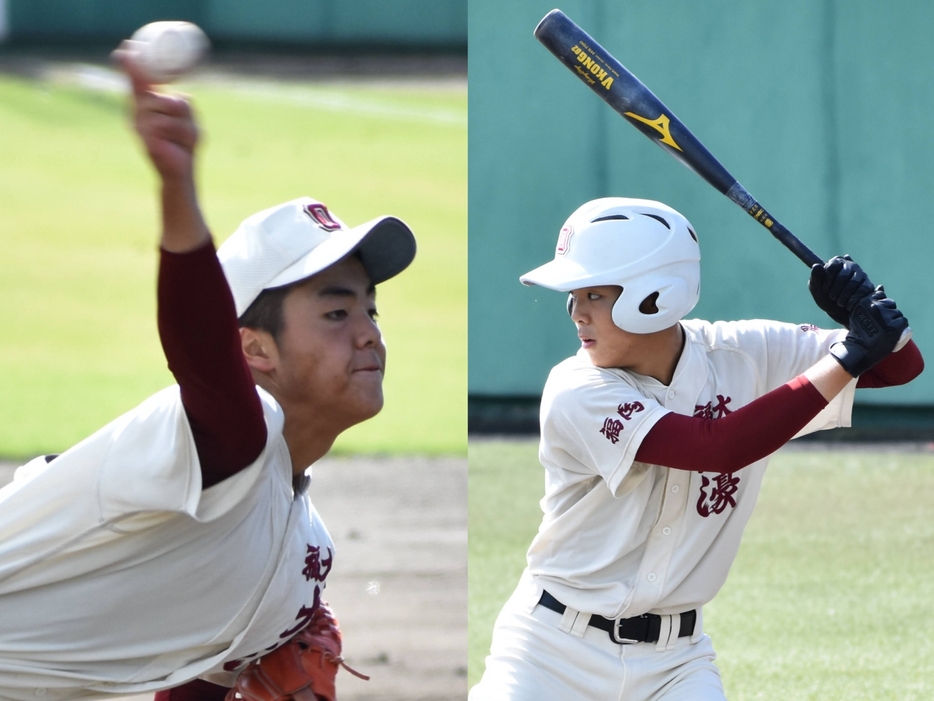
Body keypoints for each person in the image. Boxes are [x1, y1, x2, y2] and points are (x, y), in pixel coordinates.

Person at [0, 47, 416, 701]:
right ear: (253, 349)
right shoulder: (230, 441)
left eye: (369, 306)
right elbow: (199, 347)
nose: (368, 330)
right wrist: (176, 188)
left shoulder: (303, 555)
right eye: (336, 310)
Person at [469, 197, 923, 700]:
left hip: (676, 665)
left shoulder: (743, 353)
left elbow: (899, 368)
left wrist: (871, 322)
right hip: (550, 654)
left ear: (655, 296)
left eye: (594, 294)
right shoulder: (575, 389)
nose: (576, 312)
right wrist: (852, 351)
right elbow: (716, 448)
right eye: (574, 295)